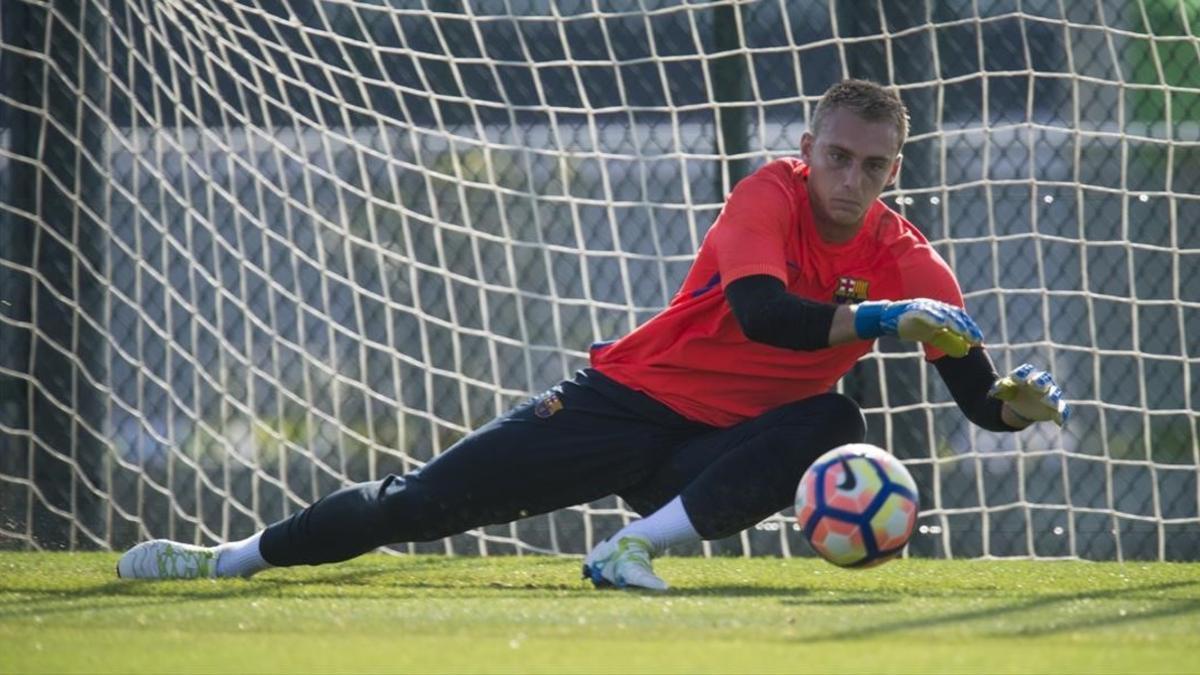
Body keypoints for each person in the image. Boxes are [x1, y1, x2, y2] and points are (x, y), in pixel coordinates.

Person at [117, 79, 1068, 590]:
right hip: (624, 401)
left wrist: (1014, 405)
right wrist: (878, 319)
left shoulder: (912, 262)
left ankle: (629, 549)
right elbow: (764, 317)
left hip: (707, 458)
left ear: (893, 170)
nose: (850, 178)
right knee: (417, 503)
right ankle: (225, 559)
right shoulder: (766, 194)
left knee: (833, 416)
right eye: (836, 156)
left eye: (872, 166)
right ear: (809, 148)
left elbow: (981, 399)